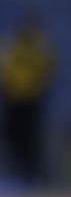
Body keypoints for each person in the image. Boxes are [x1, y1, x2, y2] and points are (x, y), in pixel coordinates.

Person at [1, 14, 55, 186]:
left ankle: (32, 176)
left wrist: (37, 89)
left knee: (31, 140)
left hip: (31, 100)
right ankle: (14, 175)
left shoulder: (39, 48)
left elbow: (47, 70)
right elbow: (5, 71)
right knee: (13, 139)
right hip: (13, 100)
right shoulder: (11, 48)